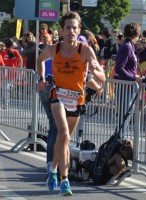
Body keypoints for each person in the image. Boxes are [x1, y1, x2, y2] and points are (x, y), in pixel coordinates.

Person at [37, 11, 106, 196]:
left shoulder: (85, 50)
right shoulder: (54, 49)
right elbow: (40, 60)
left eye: (74, 28)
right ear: (61, 30)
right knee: (64, 134)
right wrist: (41, 77)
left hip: (77, 99)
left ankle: (52, 168)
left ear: (79, 30)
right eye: (67, 27)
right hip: (58, 95)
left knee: (64, 140)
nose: (71, 31)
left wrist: (94, 69)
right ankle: (65, 181)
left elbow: (102, 77)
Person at [114, 22, 144, 137]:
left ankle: (119, 142)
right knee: (124, 118)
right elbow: (119, 68)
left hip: (128, 87)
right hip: (125, 87)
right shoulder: (127, 47)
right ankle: (117, 145)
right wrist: (134, 77)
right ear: (136, 34)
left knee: (125, 117)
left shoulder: (129, 46)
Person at [0, 38, 23, 109]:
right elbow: (20, 60)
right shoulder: (3, 52)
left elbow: (20, 59)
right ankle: (6, 103)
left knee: (6, 88)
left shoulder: (14, 51)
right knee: (5, 88)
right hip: (6, 72)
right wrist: (20, 69)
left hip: (11, 72)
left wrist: (20, 69)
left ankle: (7, 102)